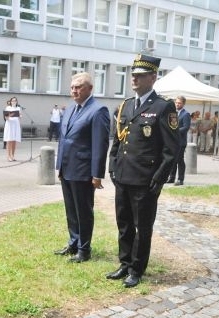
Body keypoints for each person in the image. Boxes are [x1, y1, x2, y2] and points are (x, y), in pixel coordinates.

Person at [107, 54, 179, 288]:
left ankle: (137, 269)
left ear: (152, 77)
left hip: (145, 180)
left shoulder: (163, 106)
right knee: (124, 223)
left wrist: (158, 179)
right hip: (124, 176)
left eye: (140, 75)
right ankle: (125, 263)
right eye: (133, 74)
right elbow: (118, 140)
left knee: (142, 227)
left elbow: (171, 149)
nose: (134, 78)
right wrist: (112, 166)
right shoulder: (126, 105)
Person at [53, 72, 110, 263]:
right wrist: (59, 166)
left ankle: (84, 249)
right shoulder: (70, 109)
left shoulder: (98, 110)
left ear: (90, 89)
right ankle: (74, 242)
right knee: (71, 210)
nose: (74, 90)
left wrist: (97, 174)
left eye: (79, 87)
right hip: (67, 168)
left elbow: (100, 145)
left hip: (83, 171)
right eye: (72, 87)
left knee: (83, 211)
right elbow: (64, 139)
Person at [167, 96, 191, 185]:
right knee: (173, 160)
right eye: (176, 103)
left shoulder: (186, 114)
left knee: (179, 160)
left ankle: (181, 179)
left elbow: (186, 127)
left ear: (183, 104)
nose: (177, 104)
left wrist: (174, 131)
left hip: (181, 141)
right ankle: (171, 177)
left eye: (179, 103)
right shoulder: (173, 113)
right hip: (172, 141)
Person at [4, 96, 21, 161]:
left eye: (15, 100)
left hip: (16, 125)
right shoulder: (8, 108)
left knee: (14, 141)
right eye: (13, 101)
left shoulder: (18, 108)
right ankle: (8, 156)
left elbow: (19, 117)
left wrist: (20, 116)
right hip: (10, 125)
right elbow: (6, 117)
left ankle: (13, 155)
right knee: (9, 140)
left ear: (16, 102)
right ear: (11, 102)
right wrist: (9, 116)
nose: (14, 102)